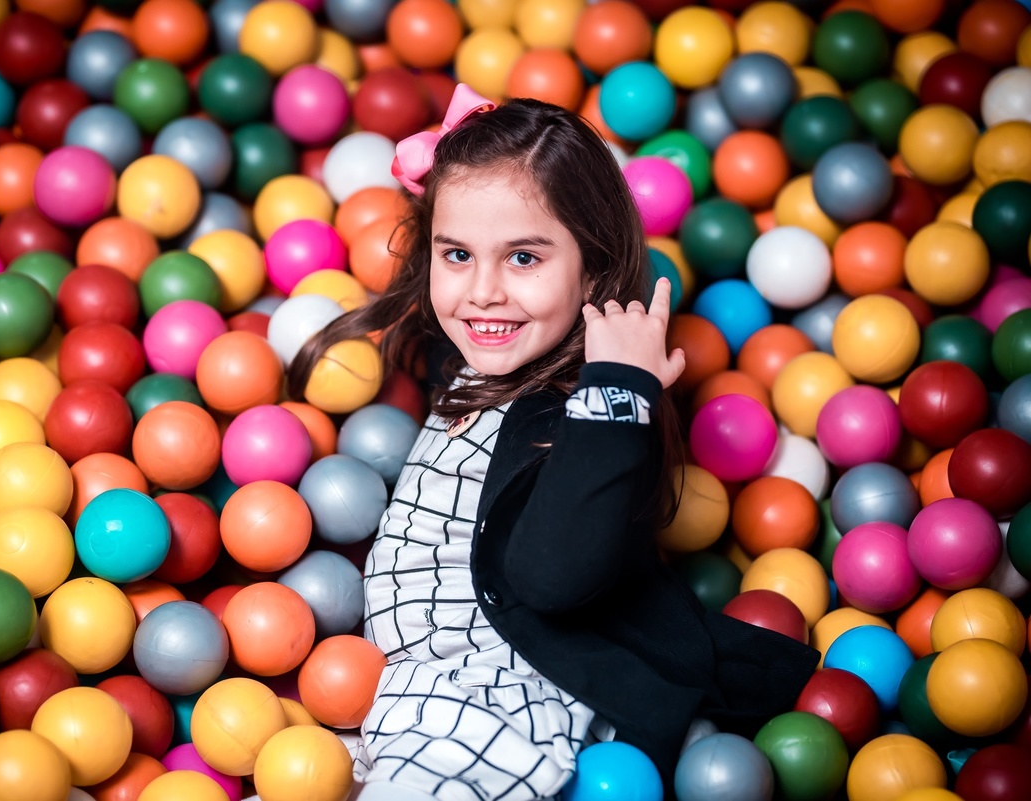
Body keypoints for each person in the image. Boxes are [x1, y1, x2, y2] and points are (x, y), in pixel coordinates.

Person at [289, 84, 819, 801]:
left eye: (524, 259)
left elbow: (551, 576)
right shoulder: (473, 360)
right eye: (457, 254)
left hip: (502, 690)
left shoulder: (575, 413)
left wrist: (620, 389)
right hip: (402, 695)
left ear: (593, 270)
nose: (482, 292)